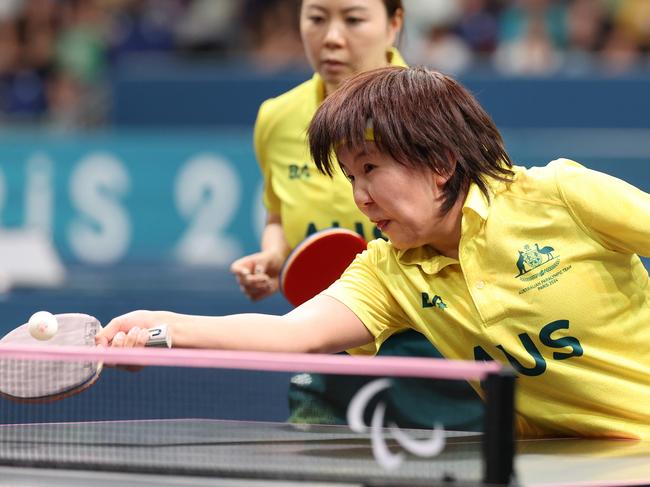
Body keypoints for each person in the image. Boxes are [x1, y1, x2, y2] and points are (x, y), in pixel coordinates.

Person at [98, 65, 650, 440]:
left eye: (371, 169)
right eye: (350, 176)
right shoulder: (389, 271)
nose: (359, 197)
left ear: (440, 161)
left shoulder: (561, 196)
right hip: (552, 465)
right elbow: (293, 336)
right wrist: (162, 325)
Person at [229, 0, 482, 429]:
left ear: (393, 23)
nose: (331, 36)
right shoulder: (277, 119)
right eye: (316, 18)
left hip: (430, 338)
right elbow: (277, 213)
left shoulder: (430, 110)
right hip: (333, 341)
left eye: (353, 18)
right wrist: (274, 256)